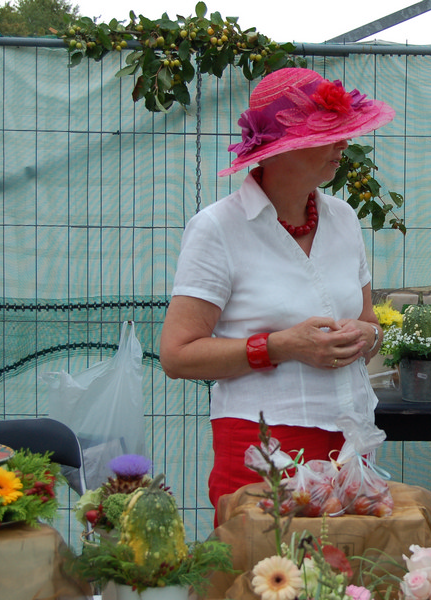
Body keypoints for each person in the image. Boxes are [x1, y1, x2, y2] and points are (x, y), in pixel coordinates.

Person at [159, 67, 395, 512]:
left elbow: (368, 323)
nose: (343, 144)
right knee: (268, 556)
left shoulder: (343, 219)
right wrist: (281, 346)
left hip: (350, 441)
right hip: (262, 445)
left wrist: (369, 336)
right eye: (328, 134)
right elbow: (176, 355)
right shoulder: (217, 228)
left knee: (350, 557)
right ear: (283, 148)